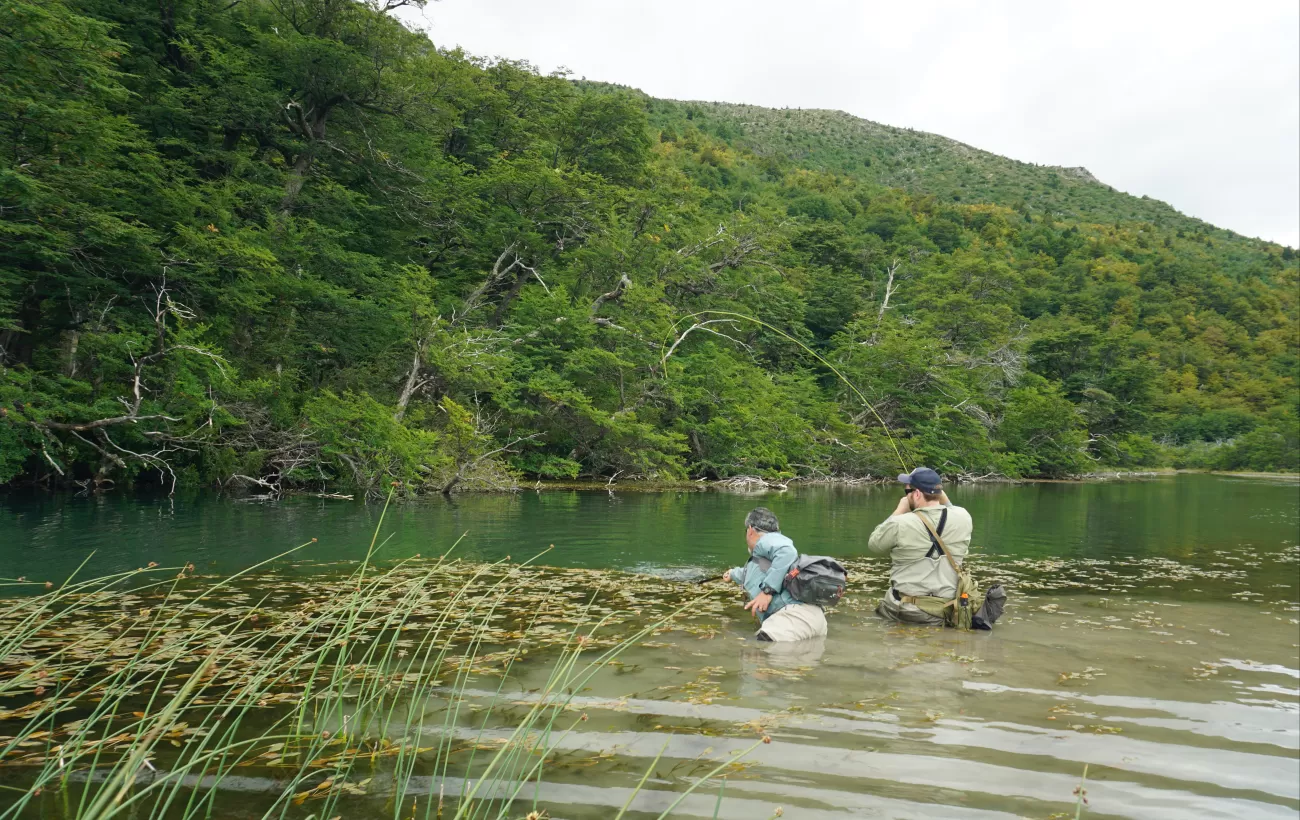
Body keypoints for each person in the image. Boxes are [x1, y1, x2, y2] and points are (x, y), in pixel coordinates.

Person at [867, 467, 973, 625]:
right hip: (947, 609)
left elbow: (874, 544)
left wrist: (900, 509)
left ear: (916, 494)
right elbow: (951, 508)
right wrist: (940, 496)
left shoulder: (899, 523)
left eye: (907, 491)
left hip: (909, 611)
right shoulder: (964, 517)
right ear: (939, 493)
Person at [727, 507, 828, 641]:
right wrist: (731, 574)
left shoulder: (768, 540)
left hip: (793, 619)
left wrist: (767, 591)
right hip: (812, 620)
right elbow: (747, 574)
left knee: (755, 651)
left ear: (750, 530)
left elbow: (787, 552)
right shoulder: (765, 559)